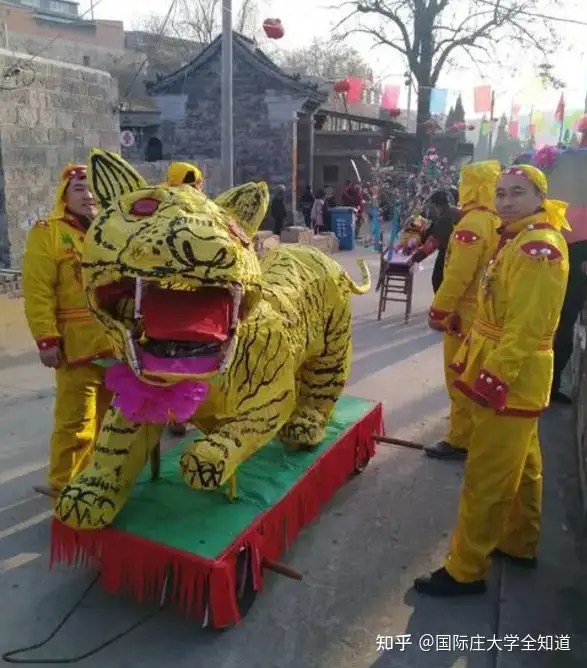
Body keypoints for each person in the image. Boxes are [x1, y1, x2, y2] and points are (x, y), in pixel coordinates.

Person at [414, 164, 570, 597]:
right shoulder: (518, 236)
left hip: (511, 374)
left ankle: (465, 569)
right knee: (524, 465)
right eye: (500, 192)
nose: (504, 201)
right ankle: (519, 541)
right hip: (509, 367)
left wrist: (494, 377)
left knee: (487, 475)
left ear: (539, 197)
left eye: (516, 193)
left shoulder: (539, 248)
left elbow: (527, 329)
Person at [22, 164, 113, 493]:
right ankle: (64, 484)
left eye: (91, 190)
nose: (88, 196)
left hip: (115, 344)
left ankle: (102, 479)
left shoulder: (110, 232)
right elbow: (38, 290)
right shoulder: (47, 232)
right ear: (64, 195)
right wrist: (46, 338)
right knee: (76, 421)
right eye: (79, 189)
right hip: (76, 346)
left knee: (114, 420)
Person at [425, 161, 502, 460]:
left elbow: (458, 275)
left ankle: (459, 439)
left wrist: (438, 310)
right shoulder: (495, 221)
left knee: (458, 376)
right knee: (475, 374)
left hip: (465, 314)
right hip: (485, 313)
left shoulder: (472, 224)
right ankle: (473, 432)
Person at [164, 162, 204, 437]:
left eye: (195, 186)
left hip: (192, 297)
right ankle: (174, 415)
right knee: (172, 360)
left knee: (189, 360)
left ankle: (181, 414)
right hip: (168, 297)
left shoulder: (205, 212)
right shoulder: (161, 211)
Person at [410, 189, 462, 292]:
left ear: (436, 206)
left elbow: (431, 244)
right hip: (452, 250)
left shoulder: (446, 218)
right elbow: (429, 232)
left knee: (438, 280)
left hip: (452, 252)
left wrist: (413, 259)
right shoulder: (450, 211)